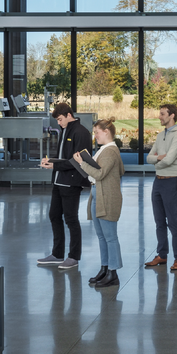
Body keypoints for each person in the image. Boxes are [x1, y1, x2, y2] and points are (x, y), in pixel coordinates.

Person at [37, 103, 92, 269]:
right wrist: (51, 161)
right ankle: (57, 254)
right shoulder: (65, 130)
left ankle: (74, 257)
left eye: (60, 120)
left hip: (71, 183)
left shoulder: (81, 132)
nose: (59, 123)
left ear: (69, 115)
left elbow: (77, 161)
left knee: (71, 219)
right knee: (54, 215)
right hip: (59, 181)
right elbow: (64, 156)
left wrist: (54, 166)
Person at [73, 119, 126, 289]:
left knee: (110, 237)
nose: (94, 135)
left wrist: (82, 163)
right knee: (102, 236)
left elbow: (100, 173)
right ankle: (105, 268)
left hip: (107, 197)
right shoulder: (103, 150)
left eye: (96, 132)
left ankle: (113, 272)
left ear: (106, 132)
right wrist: (82, 164)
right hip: (98, 194)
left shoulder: (110, 151)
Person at [144, 103, 177, 271]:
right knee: (159, 221)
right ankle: (162, 255)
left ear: (172, 116)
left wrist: (159, 159)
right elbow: (148, 158)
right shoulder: (161, 134)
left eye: (162, 114)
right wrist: (159, 159)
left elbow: (169, 160)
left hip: (172, 181)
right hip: (158, 181)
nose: (159, 116)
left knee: (173, 220)